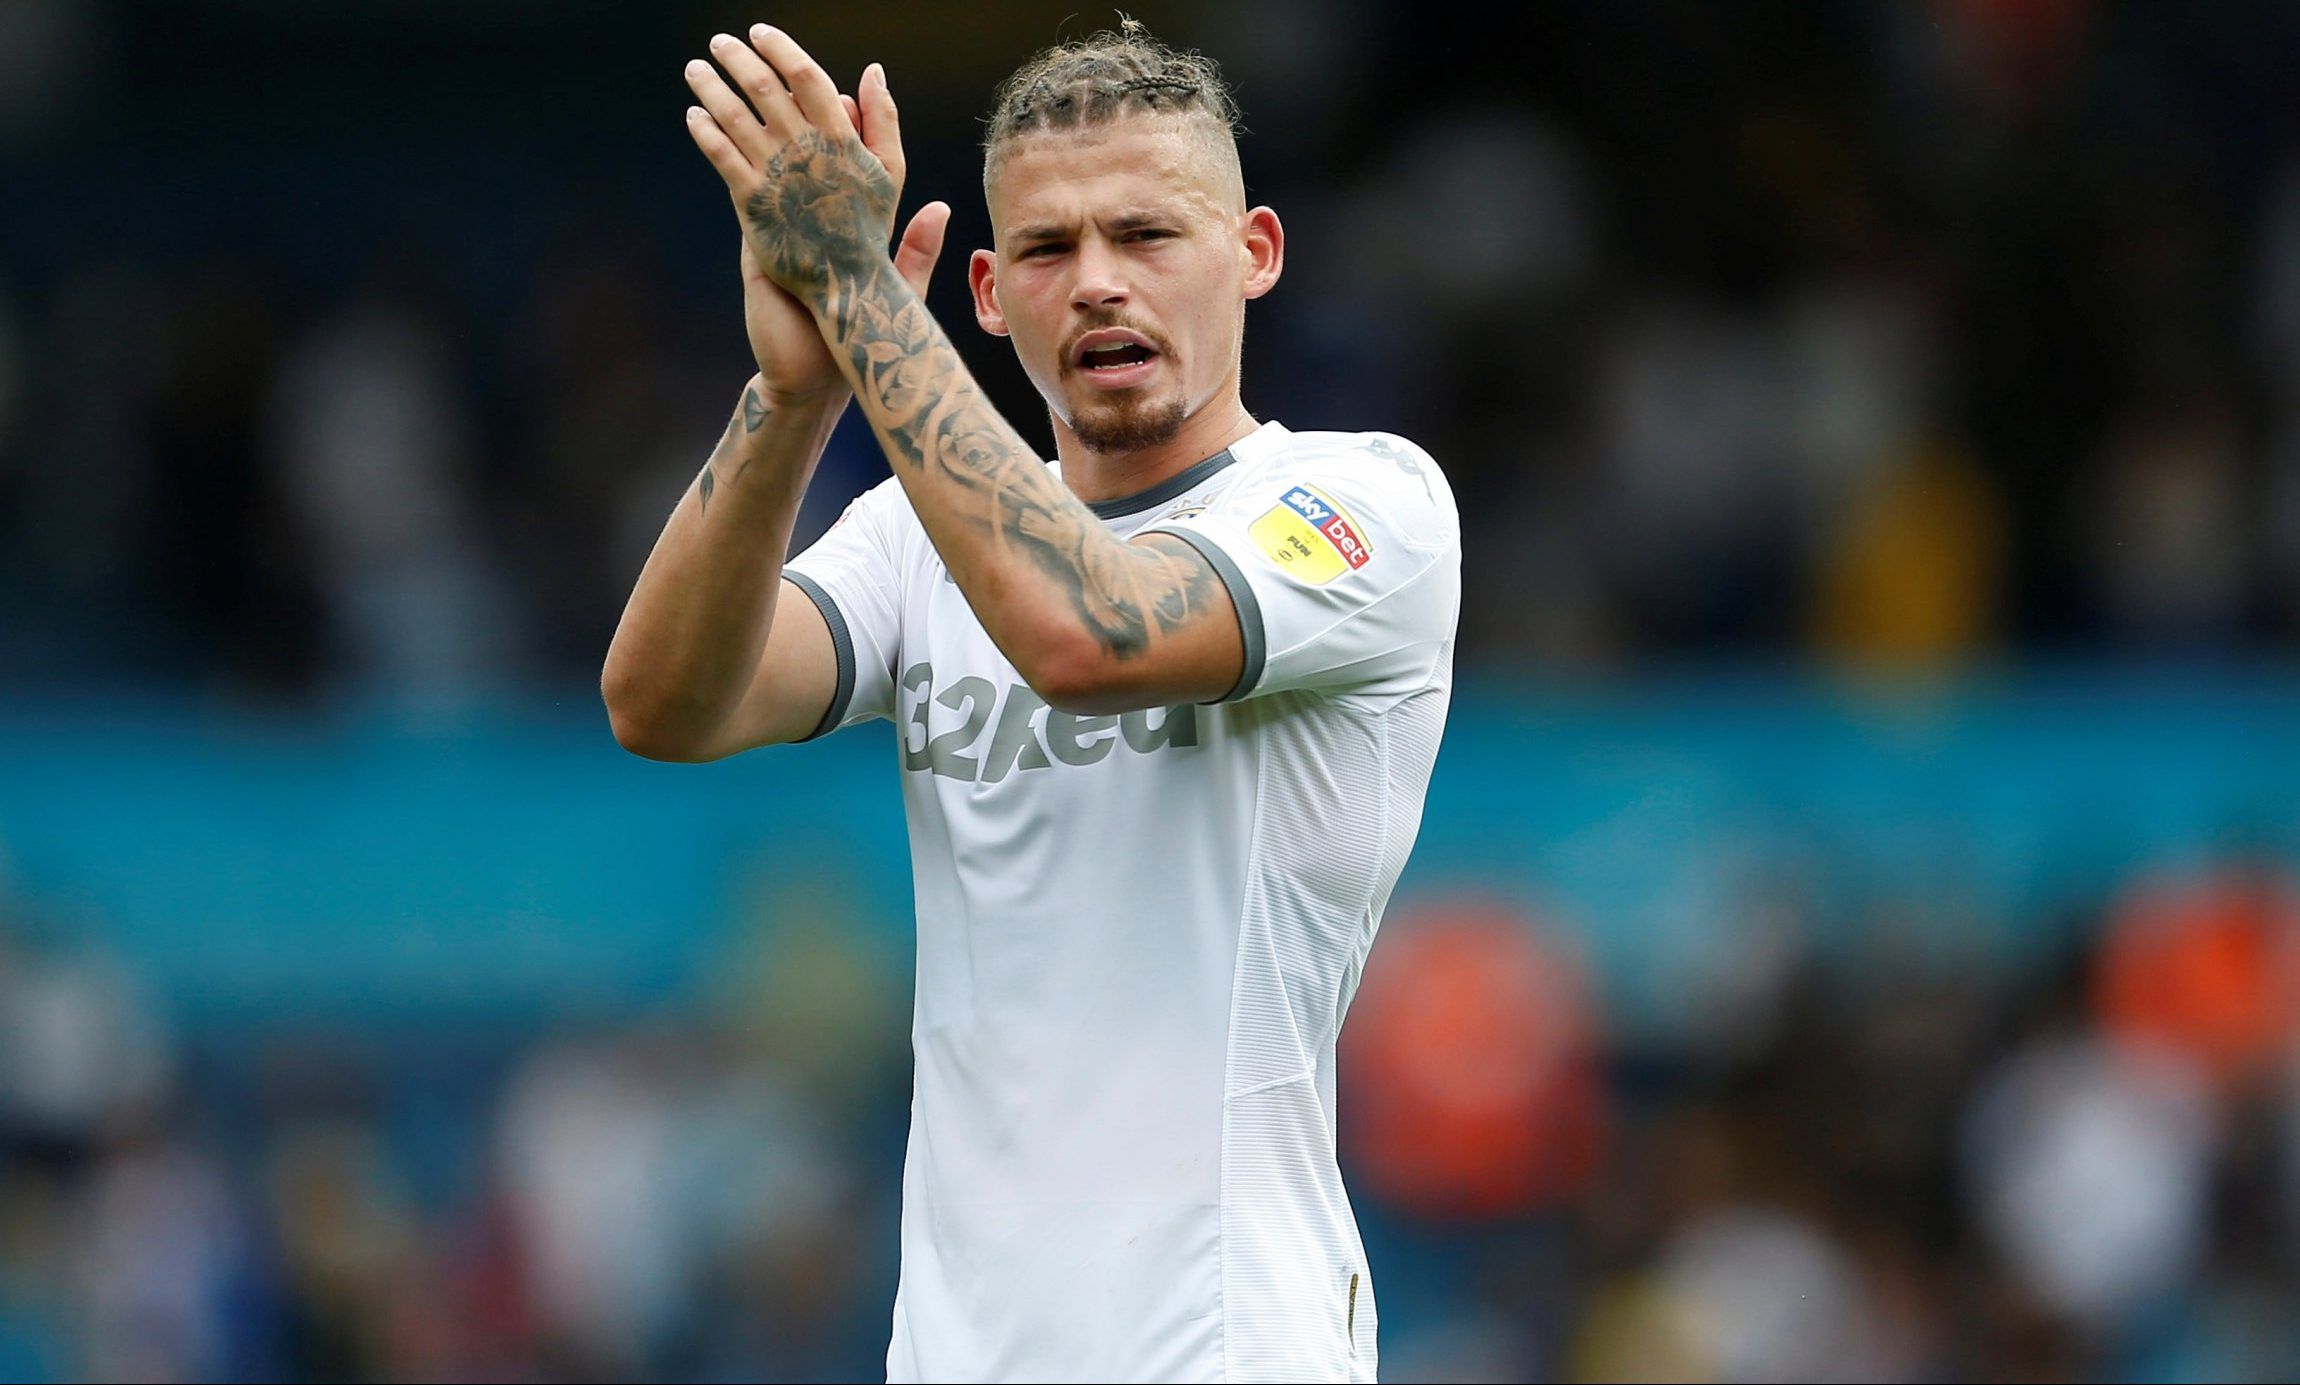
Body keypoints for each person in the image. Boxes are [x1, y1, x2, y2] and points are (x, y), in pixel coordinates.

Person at [603, 20, 1460, 1383]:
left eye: (1147, 234)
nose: (1100, 282)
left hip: (1225, 1347)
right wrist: (796, 389)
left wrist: (862, 294)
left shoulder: (1364, 504)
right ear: (991, 293)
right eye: (1051, 250)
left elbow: (1088, 628)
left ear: (1254, 253)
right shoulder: (913, 537)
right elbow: (664, 703)